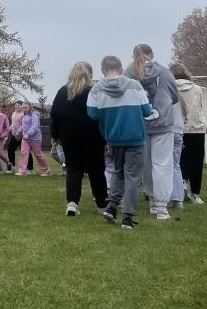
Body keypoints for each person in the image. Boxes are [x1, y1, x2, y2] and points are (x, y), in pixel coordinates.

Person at [88, 55, 153, 229]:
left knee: (118, 172)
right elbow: (147, 111)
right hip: (135, 137)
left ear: (103, 69)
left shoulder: (95, 90)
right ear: (120, 67)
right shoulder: (135, 85)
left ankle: (111, 206)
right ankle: (128, 217)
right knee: (132, 177)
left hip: (113, 137)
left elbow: (93, 114)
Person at [125, 44, 180, 220]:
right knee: (162, 164)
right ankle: (161, 206)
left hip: (139, 124)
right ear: (152, 54)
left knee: (147, 164)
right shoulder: (165, 72)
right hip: (163, 123)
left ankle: (152, 200)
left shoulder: (128, 73)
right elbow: (174, 97)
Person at [49, 61, 108, 217]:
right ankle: (102, 204)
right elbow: (102, 115)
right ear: (89, 75)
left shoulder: (62, 92)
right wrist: (106, 138)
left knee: (73, 170)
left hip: (69, 138)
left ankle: (72, 204)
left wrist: (55, 135)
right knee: (97, 170)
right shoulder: (94, 91)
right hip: (93, 137)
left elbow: (54, 115)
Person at [172, 63, 205, 205]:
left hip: (179, 128)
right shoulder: (197, 89)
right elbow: (200, 108)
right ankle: (196, 195)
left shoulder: (170, 88)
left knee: (179, 161)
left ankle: (182, 185)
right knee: (197, 163)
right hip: (197, 129)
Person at [16, 101, 51, 176]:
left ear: (30, 107)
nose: (24, 109)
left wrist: (28, 134)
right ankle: (22, 171)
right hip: (25, 138)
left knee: (38, 155)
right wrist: (18, 131)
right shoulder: (24, 115)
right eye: (23, 108)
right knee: (23, 153)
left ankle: (46, 171)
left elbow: (35, 127)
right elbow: (24, 126)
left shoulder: (34, 115)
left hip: (35, 138)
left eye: (26, 108)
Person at [7, 100, 34, 174]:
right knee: (10, 149)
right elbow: (13, 124)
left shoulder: (23, 114)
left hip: (23, 135)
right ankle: (12, 167)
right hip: (14, 134)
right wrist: (11, 130)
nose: (17, 106)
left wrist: (18, 132)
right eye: (16, 105)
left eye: (19, 105)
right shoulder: (13, 113)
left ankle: (30, 169)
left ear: (22, 106)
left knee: (25, 151)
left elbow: (24, 125)